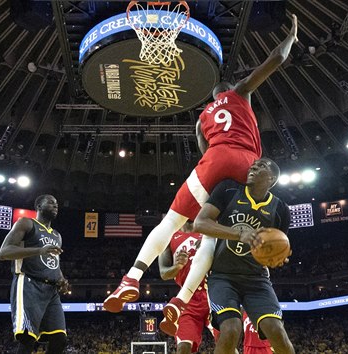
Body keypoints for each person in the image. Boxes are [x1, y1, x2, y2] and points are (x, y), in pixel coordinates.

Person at [103, 14, 299, 314]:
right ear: (231, 90)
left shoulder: (203, 118)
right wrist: (291, 38)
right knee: (210, 234)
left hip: (214, 158)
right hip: (246, 164)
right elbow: (275, 59)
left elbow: (203, 149)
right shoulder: (241, 93)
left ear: (212, 97)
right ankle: (181, 301)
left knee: (172, 222)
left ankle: (132, 278)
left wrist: (212, 172)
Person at [189, 158, 294, 354]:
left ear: (271, 178)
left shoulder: (280, 209)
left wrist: (278, 258)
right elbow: (200, 223)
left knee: (277, 330)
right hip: (222, 276)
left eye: (261, 166)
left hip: (257, 279)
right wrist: (239, 234)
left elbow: (277, 245)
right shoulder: (228, 189)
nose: (253, 166)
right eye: (253, 165)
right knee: (231, 329)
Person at [0, 194, 69, 354]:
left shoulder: (57, 235)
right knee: (28, 338)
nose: (55, 206)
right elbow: (3, 252)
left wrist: (61, 279)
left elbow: (53, 262)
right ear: (38, 206)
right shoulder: (26, 223)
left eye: (57, 203)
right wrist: (39, 250)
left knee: (59, 339)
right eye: (51, 203)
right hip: (29, 284)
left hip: (51, 290)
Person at [157, 221, 215, 353]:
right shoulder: (169, 236)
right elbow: (163, 273)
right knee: (183, 347)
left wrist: (211, 244)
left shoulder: (209, 231)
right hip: (188, 299)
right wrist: (177, 267)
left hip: (213, 293)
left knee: (227, 341)